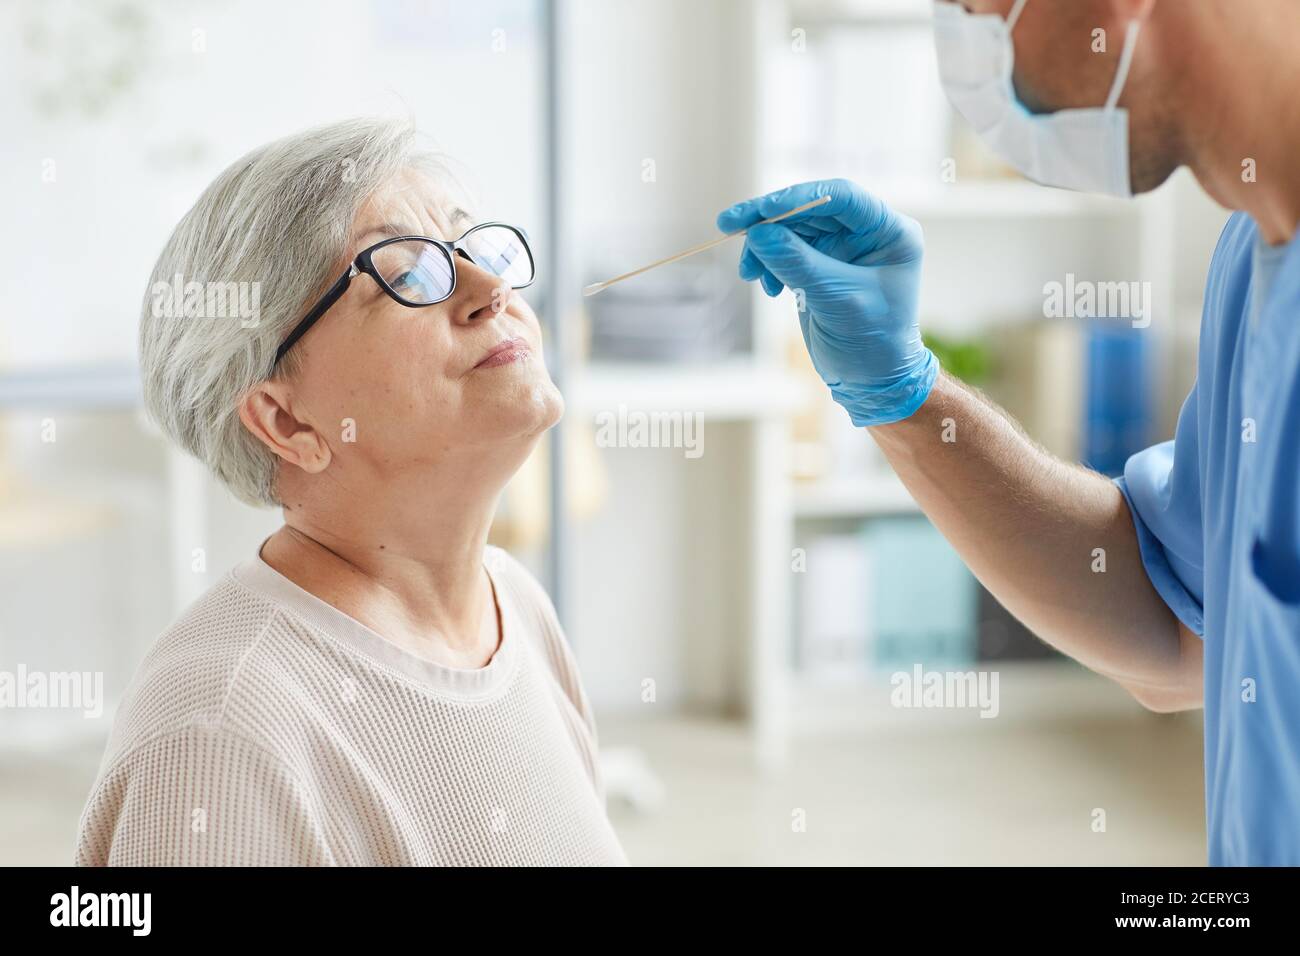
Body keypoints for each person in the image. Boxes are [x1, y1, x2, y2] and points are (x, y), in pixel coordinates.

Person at [719, 0, 1300, 866]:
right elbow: (1180, 640)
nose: (968, 44)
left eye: (975, 5)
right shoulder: (1253, 258)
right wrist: (900, 391)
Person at [76, 117, 627, 866]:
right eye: (408, 276)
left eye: (472, 247)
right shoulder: (220, 730)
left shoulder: (516, 607)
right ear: (284, 418)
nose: (493, 290)